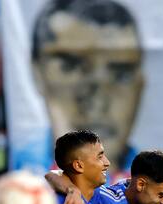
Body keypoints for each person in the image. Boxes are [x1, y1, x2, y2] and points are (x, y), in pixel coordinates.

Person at [32, 0, 143, 172]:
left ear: (141, 85)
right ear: (37, 73)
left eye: (121, 73)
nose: (98, 102)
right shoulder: (23, 179)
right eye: (71, 66)